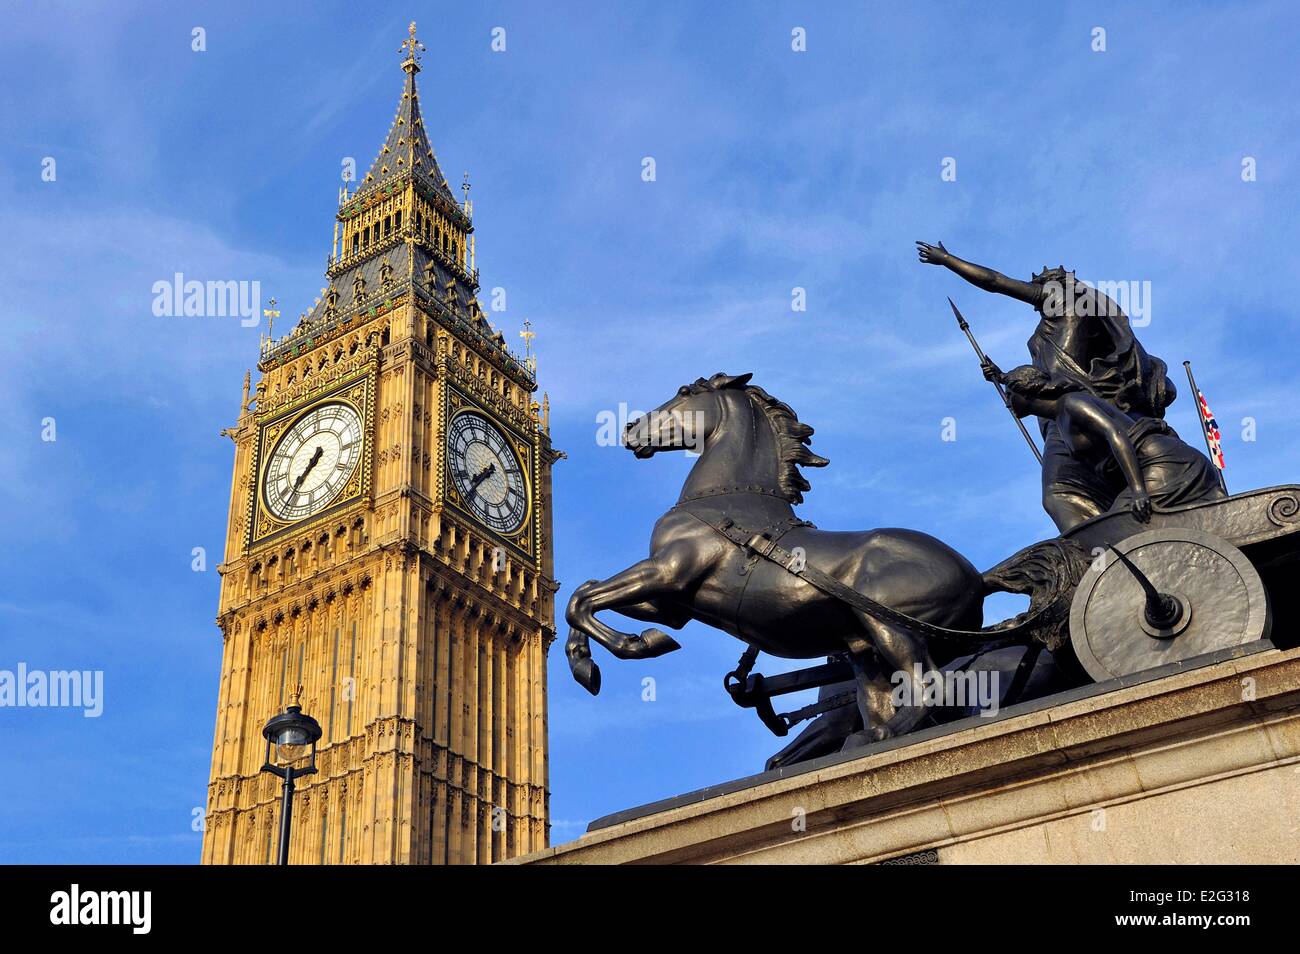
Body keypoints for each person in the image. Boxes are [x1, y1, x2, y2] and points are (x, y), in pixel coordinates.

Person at [917, 241, 1177, 531]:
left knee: (1061, 491)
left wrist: (948, 259)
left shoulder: (1069, 305)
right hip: (1060, 412)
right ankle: (1102, 545)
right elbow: (1046, 375)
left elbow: (995, 282)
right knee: (1062, 491)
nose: (1035, 293)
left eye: (1040, 286)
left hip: (1076, 409)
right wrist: (1004, 377)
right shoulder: (1060, 322)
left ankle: (1104, 545)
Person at [993, 364, 1225, 523]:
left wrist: (1137, 490)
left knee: (1119, 523)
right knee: (1113, 524)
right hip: (1149, 466)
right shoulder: (1060, 419)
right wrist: (1000, 376)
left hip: (1165, 463)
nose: (1007, 401)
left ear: (1024, 390)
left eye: (1009, 393)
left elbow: (1116, 435)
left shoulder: (1072, 403)